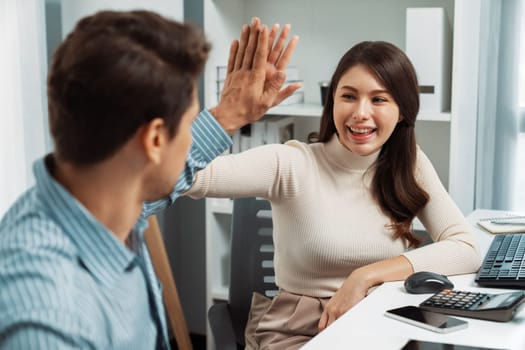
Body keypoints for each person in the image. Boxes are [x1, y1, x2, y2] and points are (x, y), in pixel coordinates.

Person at [0, 10, 300, 349]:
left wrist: (227, 115)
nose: (189, 139)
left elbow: (178, 164)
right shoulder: (49, 321)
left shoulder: (105, 204)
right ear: (155, 140)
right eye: (188, 124)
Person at [185, 41, 482, 349]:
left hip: (382, 327)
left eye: (378, 99)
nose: (360, 113)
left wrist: (363, 278)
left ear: (402, 112)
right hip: (299, 333)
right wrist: (225, 116)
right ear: (333, 102)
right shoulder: (290, 163)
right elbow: (183, 177)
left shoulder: (409, 165)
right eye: (349, 96)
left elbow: (466, 248)